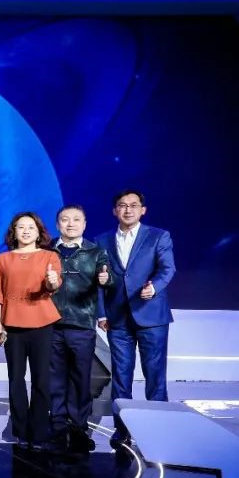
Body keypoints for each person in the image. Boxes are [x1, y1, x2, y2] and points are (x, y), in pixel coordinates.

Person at [95, 189, 176, 450]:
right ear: (114, 211)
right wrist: (101, 313)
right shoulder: (102, 240)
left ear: (143, 210)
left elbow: (167, 268)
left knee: (155, 376)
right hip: (117, 319)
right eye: (122, 205)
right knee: (121, 377)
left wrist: (155, 287)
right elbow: (99, 280)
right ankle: (122, 430)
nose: (128, 210)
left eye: (133, 205)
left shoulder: (158, 236)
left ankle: (158, 429)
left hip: (151, 316)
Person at [0, 212, 63, 449]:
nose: (26, 231)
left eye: (31, 227)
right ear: (14, 232)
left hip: (42, 323)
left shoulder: (50, 256)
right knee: (16, 379)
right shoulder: (3, 259)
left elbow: (54, 285)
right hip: (12, 324)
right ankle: (20, 430)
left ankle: (39, 430)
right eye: (21, 227)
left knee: (41, 378)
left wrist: (52, 280)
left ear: (39, 231)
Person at [49, 205, 113, 453]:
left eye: (76, 220)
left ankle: (78, 426)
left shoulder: (96, 252)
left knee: (80, 378)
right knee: (55, 378)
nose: (70, 224)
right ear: (58, 225)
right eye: (65, 220)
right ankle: (57, 425)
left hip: (82, 326)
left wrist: (106, 279)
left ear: (84, 224)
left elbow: (109, 277)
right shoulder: (47, 250)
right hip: (51, 325)